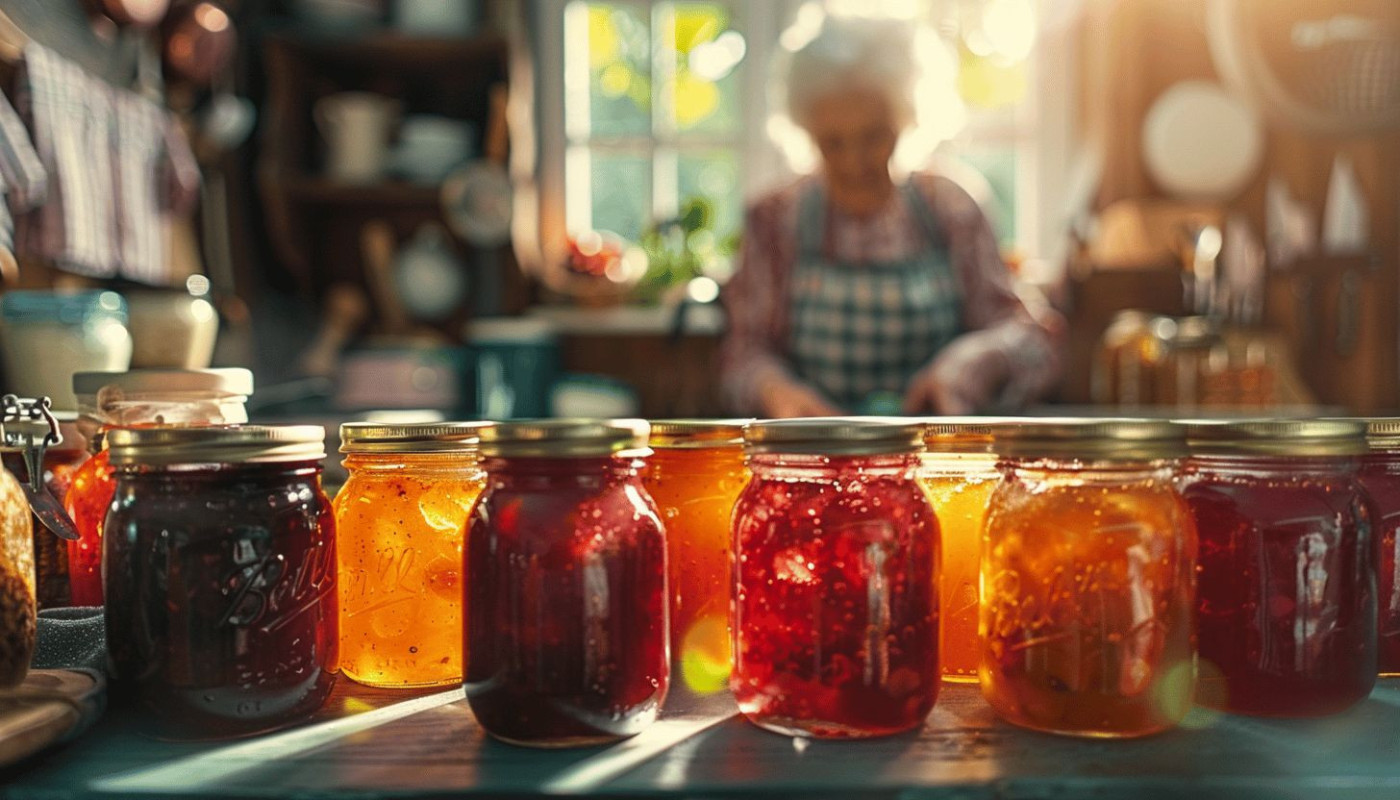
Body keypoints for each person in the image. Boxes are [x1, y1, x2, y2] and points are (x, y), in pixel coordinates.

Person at [720, 14, 1063, 418]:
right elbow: (744, 355)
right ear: (807, 132)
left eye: (874, 136)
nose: (855, 161)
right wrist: (777, 392)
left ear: (905, 119)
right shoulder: (775, 220)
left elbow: (1032, 340)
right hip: (814, 459)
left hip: (936, 459)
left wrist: (970, 363)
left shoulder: (950, 208)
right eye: (833, 143)